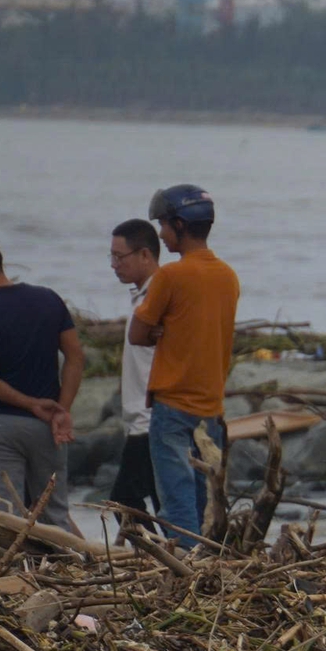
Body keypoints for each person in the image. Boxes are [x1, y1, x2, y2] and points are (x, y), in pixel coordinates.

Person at [131, 184, 238, 551]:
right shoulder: (228, 276)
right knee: (206, 505)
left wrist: (159, 329)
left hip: (174, 406)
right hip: (212, 411)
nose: (160, 233)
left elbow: (136, 332)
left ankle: (186, 578)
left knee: (176, 505)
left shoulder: (171, 276)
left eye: (163, 224)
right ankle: (207, 573)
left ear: (179, 224)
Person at [0, 235, 85, 533]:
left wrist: (29, 404)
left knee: (5, 516)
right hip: (48, 426)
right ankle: (69, 571)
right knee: (54, 514)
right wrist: (61, 409)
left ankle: (16, 577)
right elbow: (76, 358)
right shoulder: (49, 299)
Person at [108, 218, 162, 523]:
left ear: (145, 255)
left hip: (150, 419)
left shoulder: (160, 295)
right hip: (141, 418)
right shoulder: (142, 295)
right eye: (111, 257)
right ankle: (172, 559)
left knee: (123, 499)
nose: (114, 265)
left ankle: (158, 557)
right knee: (158, 497)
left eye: (120, 257)